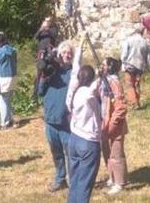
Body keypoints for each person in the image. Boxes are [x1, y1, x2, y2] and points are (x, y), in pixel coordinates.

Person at [65, 41, 101, 203]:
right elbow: (94, 88)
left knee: (75, 180)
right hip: (88, 141)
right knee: (85, 183)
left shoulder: (73, 89)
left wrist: (80, 45)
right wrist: (102, 76)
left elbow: (74, 67)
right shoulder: (89, 95)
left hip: (74, 138)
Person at [37, 41, 74, 192]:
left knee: (70, 153)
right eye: (63, 52)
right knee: (56, 152)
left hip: (66, 121)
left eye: (69, 53)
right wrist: (44, 77)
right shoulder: (52, 71)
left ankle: (74, 181)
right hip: (50, 119)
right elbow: (40, 91)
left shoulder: (74, 73)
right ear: (58, 55)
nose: (66, 55)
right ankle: (60, 179)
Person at [100, 57, 128, 196]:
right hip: (104, 123)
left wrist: (113, 123)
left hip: (115, 125)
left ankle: (120, 183)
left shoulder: (115, 83)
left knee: (116, 154)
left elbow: (121, 107)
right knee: (106, 153)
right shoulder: (103, 81)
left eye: (104, 65)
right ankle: (112, 177)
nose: (101, 67)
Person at [120, 26, 150, 109]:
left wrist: (123, 63)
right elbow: (148, 56)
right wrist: (147, 66)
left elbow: (124, 54)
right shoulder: (145, 42)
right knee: (137, 84)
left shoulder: (129, 40)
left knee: (129, 84)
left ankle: (134, 102)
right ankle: (137, 101)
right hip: (140, 66)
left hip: (129, 65)